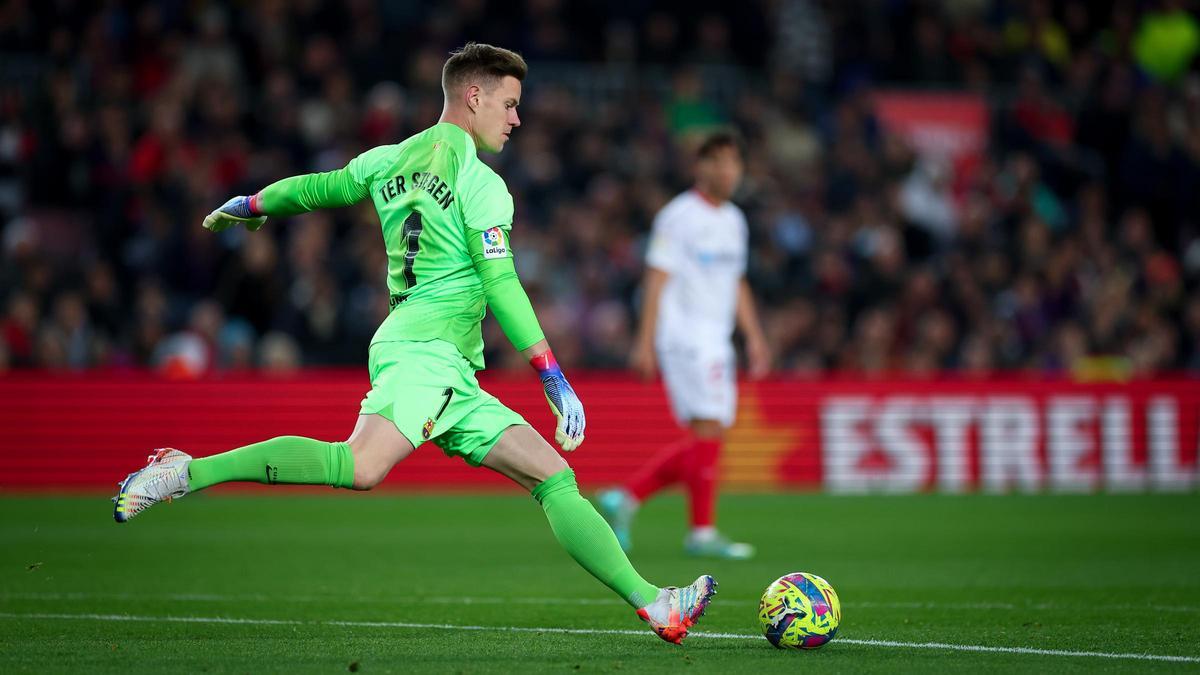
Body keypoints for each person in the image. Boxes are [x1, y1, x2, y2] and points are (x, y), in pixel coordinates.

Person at [111, 43, 716, 645]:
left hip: (442, 360)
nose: (516, 119)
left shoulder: (387, 161)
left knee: (553, 476)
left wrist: (252, 202)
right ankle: (186, 472)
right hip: (426, 352)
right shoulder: (481, 184)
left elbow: (318, 189)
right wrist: (551, 373)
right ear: (473, 97)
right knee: (360, 465)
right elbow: (500, 281)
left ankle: (655, 603)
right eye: (508, 104)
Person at [598, 130, 768, 560]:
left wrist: (754, 335)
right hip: (685, 335)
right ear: (701, 167)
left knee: (708, 436)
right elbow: (656, 277)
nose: (727, 170)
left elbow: (736, 281)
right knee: (708, 429)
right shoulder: (679, 216)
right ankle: (701, 532)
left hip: (717, 338)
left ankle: (627, 497)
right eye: (718, 161)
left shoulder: (735, 221)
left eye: (734, 162)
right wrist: (644, 341)